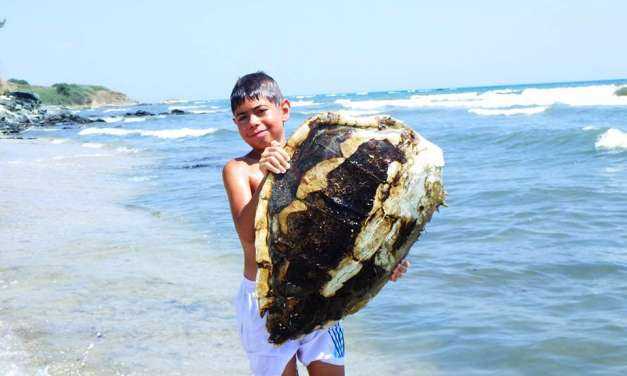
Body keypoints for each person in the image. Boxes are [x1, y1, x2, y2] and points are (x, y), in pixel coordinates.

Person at [222, 72, 410, 376]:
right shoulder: (239, 170)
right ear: (235, 124)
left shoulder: (316, 159)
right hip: (263, 300)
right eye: (242, 117)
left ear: (283, 109)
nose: (252, 122)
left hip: (317, 292)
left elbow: (343, 224)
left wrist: (382, 260)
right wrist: (270, 177)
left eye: (260, 111)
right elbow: (247, 235)